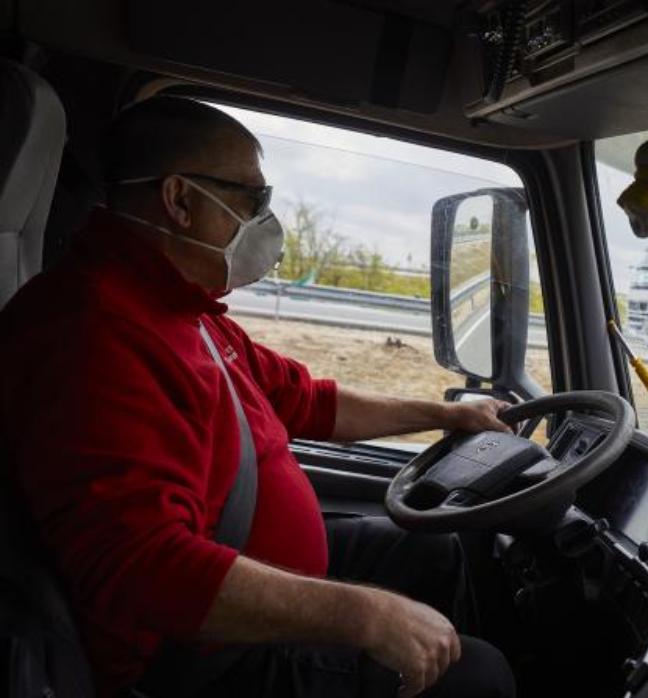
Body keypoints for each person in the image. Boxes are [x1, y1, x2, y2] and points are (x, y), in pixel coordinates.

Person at [0, 97, 516, 698]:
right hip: (194, 659)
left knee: (436, 552)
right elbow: (143, 567)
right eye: (252, 198)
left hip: (226, 565)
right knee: (480, 677)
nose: (267, 218)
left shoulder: (178, 305)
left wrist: (447, 414)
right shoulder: (92, 333)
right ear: (180, 200)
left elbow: (308, 402)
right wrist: (367, 616)